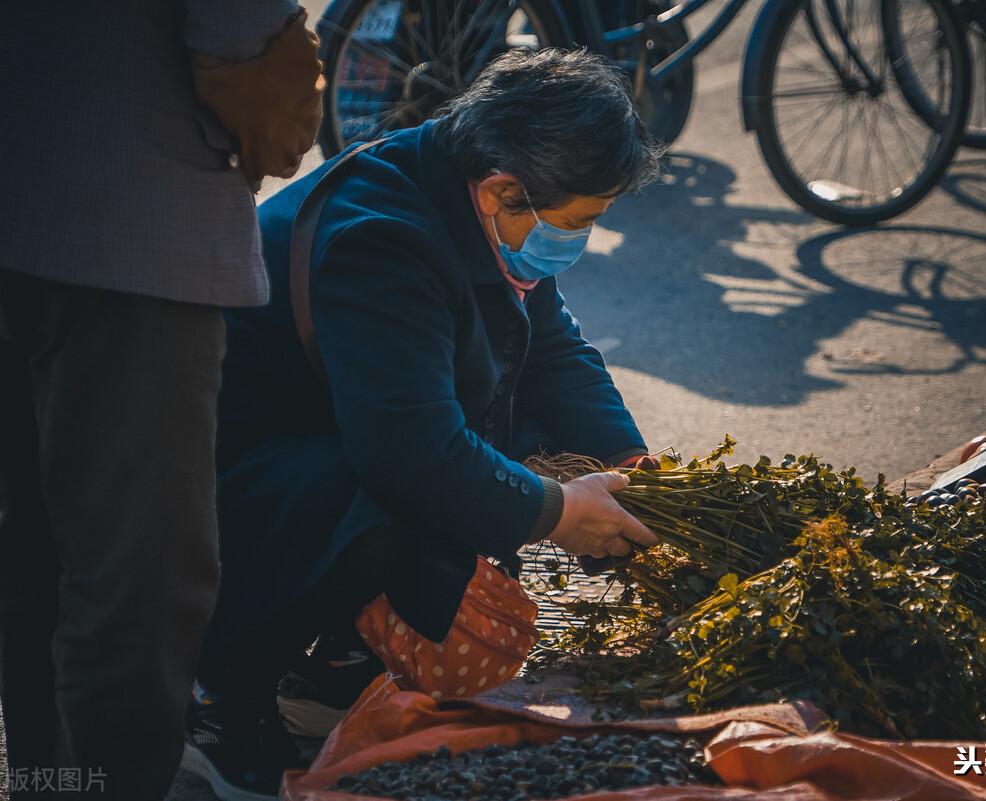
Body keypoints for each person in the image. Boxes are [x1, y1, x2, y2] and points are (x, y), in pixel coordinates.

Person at [184, 47, 664, 800]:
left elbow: (554, 351)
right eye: (581, 221)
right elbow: (407, 453)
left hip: (334, 433)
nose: (582, 239)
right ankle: (220, 699)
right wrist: (559, 513)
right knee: (400, 498)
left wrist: (634, 468)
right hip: (227, 484)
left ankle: (335, 667)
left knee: (514, 424)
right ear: (506, 189)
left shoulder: (467, 189)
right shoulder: (382, 236)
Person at [0, 2, 323, 800]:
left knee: (35, 543)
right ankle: (103, 787)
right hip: (126, 229)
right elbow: (238, 34)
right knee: (139, 574)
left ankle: (50, 780)